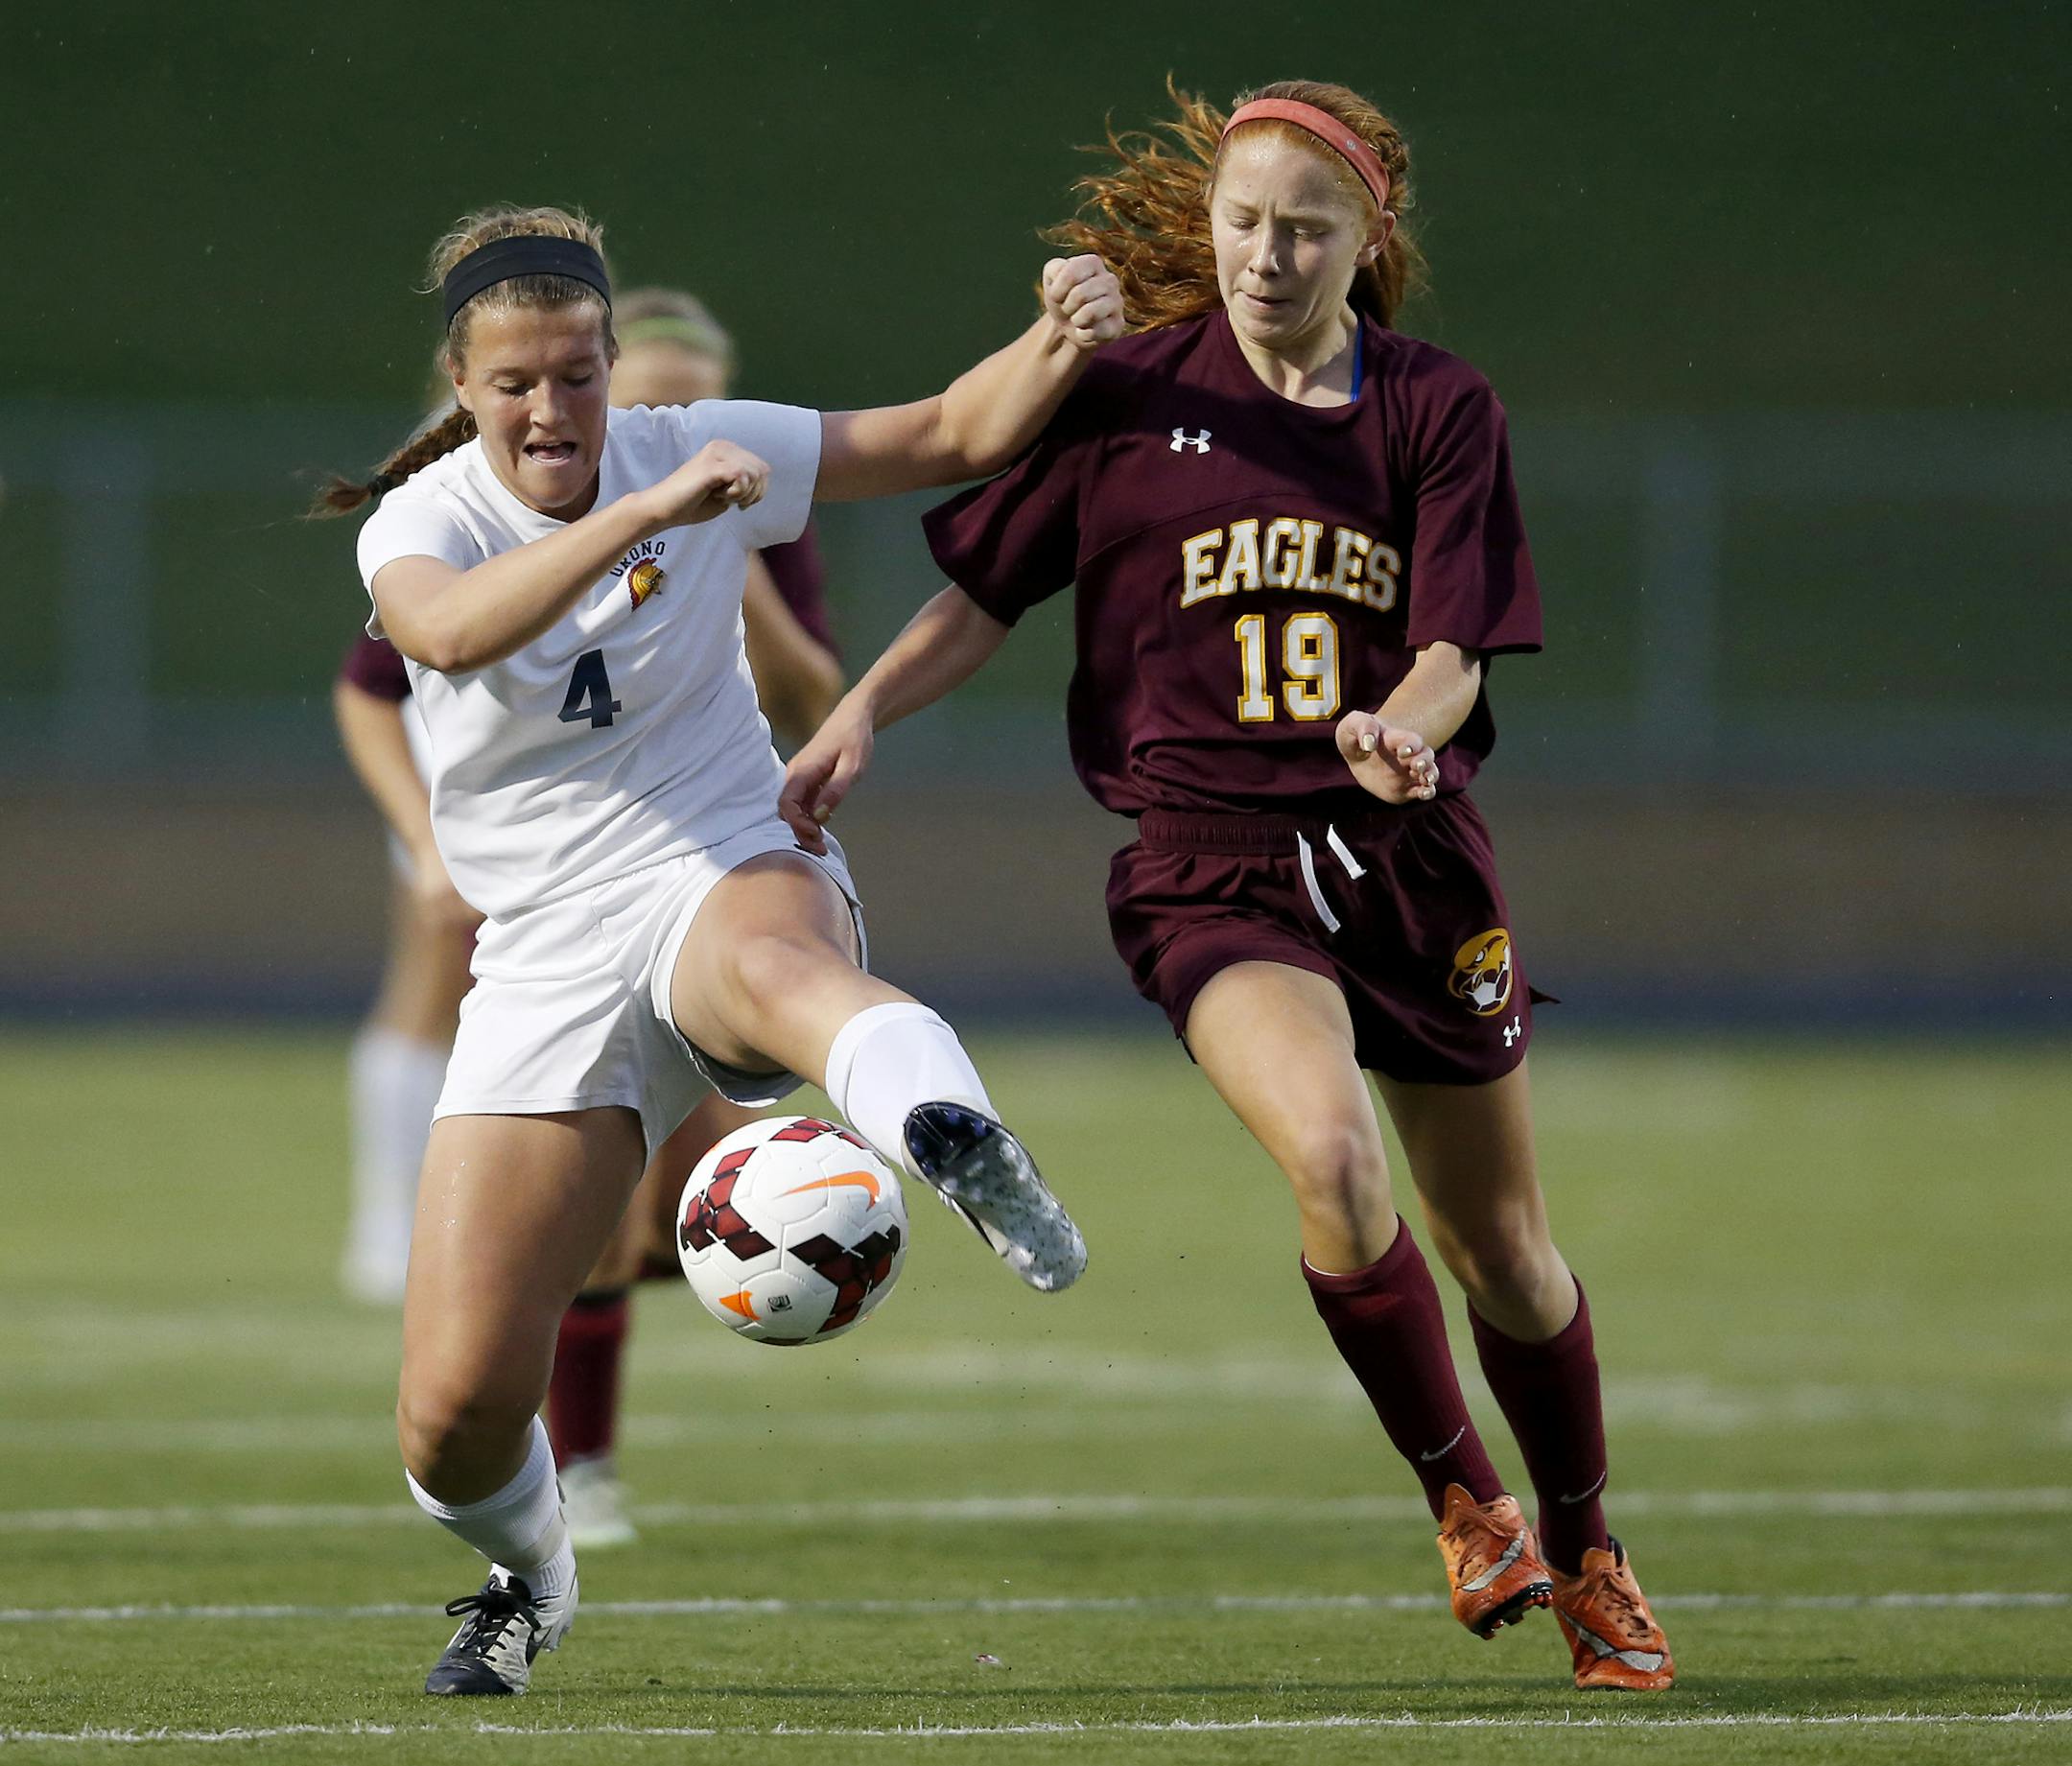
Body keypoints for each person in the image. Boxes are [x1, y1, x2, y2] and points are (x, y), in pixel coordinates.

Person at [780, 82, 1674, 1693]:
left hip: (1408, 862)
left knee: (1510, 1257)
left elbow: (1458, 650)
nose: (1268, 255)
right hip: (1213, 868)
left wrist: (1403, 732)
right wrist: (857, 711)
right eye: (1245, 222)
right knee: (1332, 1159)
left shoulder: (1435, 407)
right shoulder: (1124, 396)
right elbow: (982, 596)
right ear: (1209, 224)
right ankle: (1468, 1505)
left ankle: (1591, 1538)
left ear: (1367, 238)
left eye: (1306, 229)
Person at [318, 202, 1121, 1696]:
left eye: (577, 372)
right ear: (461, 388)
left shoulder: (683, 437)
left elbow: (952, 429)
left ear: (613, 359)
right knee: (451, 1416)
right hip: (543, 946)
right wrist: (654, 509)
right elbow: (445, 636)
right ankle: (534, 1569)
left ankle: (959, 1136)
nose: (552, 408)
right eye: (515, 384)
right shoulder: (425, 517)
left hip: (715, 851)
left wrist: (1060, 337)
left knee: (772, 977)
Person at [334, 286, 847, 1550]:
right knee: (597, 1199)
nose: (652, 422)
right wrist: (421, 835)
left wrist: (728, 569)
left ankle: (920, 1120)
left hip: (719, 857)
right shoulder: (472, 515)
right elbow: (374, 676)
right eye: (645, 394)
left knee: (696, 1183)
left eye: (678, 400)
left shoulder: (739, 504)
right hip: (558, 868)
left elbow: (813, 693)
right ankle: (579, 1463)